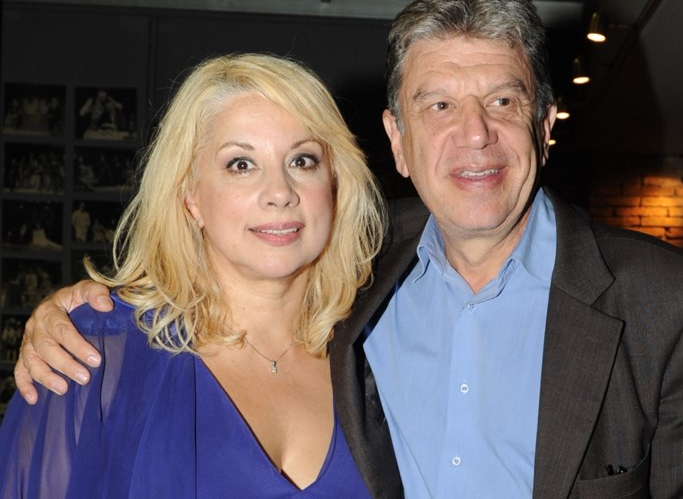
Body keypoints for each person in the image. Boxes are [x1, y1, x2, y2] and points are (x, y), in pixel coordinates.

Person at [12, 0, 683, 497]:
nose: (475, 134)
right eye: (439, 105)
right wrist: (71, 313)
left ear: (545, 124)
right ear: (397, 140)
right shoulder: (91, 352)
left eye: (502, 101)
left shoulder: (665, 306)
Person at [0, 53, 397, 497]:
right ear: (191, 196)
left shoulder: (382, 354)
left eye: (302, 161)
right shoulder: (92, 352)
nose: (280, 192)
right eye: (241, 164)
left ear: (336, 185)